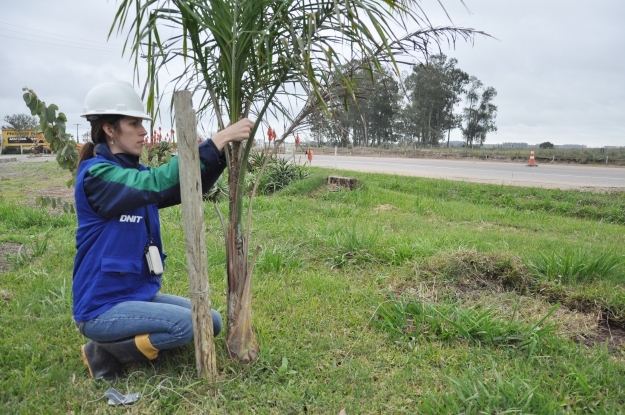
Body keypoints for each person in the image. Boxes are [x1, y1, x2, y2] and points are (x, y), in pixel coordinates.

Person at [74, 81, 254, 382]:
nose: (144, 131)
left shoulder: (135, 175)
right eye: (134, 124)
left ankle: (121, 342)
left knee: (211, 321)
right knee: (188, 326)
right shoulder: (98, 176)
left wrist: (219, 156)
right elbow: (158, 183)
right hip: (101, 307)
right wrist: (215, 141)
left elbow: (181, 187)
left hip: (136, 295)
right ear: (109, 129)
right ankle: (103, 351)